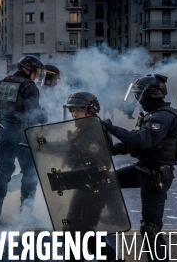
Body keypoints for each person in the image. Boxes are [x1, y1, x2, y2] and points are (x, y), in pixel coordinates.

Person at [102, 74, 177, 262]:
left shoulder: (163, 116)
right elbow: (134, 144)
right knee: (107, 182)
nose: (137, 100)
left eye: (139, 95)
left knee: (150, 228)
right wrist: (111, 149)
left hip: (156, 177)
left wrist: (113, 129)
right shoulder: (152, 115)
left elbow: (143, 140)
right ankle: (106, 233)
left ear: (150, 95)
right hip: (143, 169)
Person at [62, 92, 120, 261]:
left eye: (79, 110)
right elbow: (76, 152)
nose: (74, 114)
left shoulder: (93, 131)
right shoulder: (84, 129)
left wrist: (77, 174)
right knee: (76, 230)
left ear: (91, 110)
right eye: (73, 110)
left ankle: (111, 259)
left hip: (93, 188)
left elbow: (98, 163)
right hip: (85, 185)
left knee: (80, 230)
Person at [0, 55, 48, 222]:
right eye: (36, 72)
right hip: (23, 136)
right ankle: (26, 214)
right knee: (30, 173)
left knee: (5, 171)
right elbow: (32, 114)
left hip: (5, 134)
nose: (37, 76)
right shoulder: (29, 87)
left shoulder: (1, 83)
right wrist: (43, 116)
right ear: (28, 69)